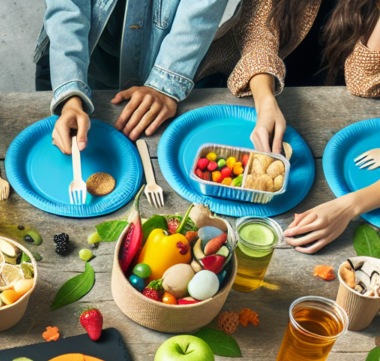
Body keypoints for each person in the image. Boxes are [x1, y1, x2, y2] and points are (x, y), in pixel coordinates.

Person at [200, 0, 380, 252]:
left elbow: (363, 82)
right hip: (260, 94)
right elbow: (258, 33)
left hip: (339, 125)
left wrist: (349, 207)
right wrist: (265, 100)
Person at [33, 0, 229, 153]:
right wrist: (70, 94)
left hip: (165, 55)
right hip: (81, 54)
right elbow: (67, 7)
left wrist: (166, 83)